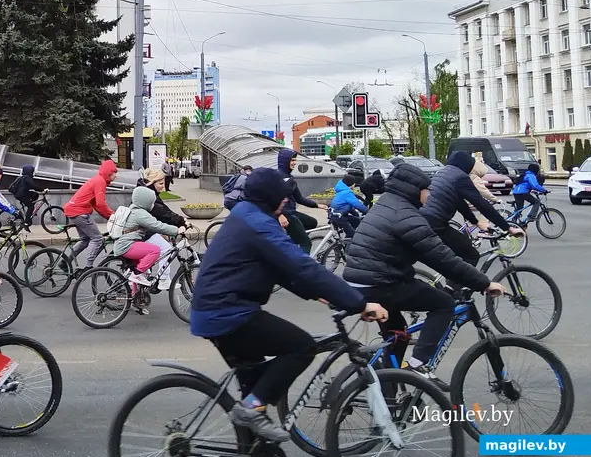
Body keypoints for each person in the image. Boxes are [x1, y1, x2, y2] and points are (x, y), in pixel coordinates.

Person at [190, 167, 387, 441]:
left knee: (257, 382)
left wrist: (320, 294)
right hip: (228, 313)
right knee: (301, 347)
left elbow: (283, 270)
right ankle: (250, 409)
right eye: (282, 197)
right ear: (270, 198)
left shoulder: (247, 215)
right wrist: (358, 302)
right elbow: (302, 266)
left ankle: (253, 455)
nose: (286, 201)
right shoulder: (258, 224)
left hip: (216, 311)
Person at [342, 163, 505, 386]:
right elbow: (442, 258)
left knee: (398, 333)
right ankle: (418, 365)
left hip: (363, 280)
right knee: (444, 304)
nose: (430, 195)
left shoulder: (387, 205)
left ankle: (387, 392)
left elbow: (431, 256)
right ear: (414, 189)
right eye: (427, 190)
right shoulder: (408, 216)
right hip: (380, 282)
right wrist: (484, 283)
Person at [421, 151, 522, 269]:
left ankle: (453, 280)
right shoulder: (460, 178)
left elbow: (459, 203)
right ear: (467, 165)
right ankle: (453, 286)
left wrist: (477, 223)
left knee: (457, 252)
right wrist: (508, 228)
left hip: (424, 217)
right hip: (435, 222)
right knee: (471, 255)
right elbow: (481, 204)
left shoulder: (443, 173)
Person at [111, 185, 185, 313]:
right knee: (154, 250)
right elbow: (157, 225)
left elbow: (155, 224)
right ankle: (138, 275)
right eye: (151, 201)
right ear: (144, 201)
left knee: (138, 270)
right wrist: (177, 229)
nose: (152, 204)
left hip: (125, 244)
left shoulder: (135, 210)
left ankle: (136, 300)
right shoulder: (141, 214)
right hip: (127, 245)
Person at [63, 159, 118, 269]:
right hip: (79, 212)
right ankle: (88, 268)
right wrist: (113, 215)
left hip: (73, 210)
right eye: (114, 172)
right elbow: (101, 204)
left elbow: (96, 205)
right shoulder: (100, 181)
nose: (116, 176)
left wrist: (110, 216)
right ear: (109, 172)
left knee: (85, 240)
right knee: (97, 239)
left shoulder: (97, 180)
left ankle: (65, 262)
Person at [276, 149, 327, 254]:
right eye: (292, 160)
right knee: (306, 243)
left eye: (295, 160)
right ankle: (301, 268)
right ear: (284, 161)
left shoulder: (290, 178)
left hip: (291, 212)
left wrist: (317, 205)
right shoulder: (278, 177)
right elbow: (271, 197)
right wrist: (279, 215)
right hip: (286, 215)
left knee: (312, 222)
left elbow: (299, 198)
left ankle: (293, 244)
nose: (294, 163)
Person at [330, 174, 367, 238]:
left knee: (356, 220)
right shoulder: (346, 193)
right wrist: (368, 212)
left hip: (337, 214)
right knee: (353, 234)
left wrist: (355, 214)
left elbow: (346, 205)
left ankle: (347, 240)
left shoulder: (342, 190)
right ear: (351, 184)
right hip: (338, 217)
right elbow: (358, 205)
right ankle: (347, 243)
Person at [8, 165, 41, 229]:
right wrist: (42, 189)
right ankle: (26, 222)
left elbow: (31, 186)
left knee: (35, 195)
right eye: (32, 171)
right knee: (31, 207)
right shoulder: (27, 178)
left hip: (21, 194)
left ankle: (30, 211)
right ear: (30, 171)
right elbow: (33, 186)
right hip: (22, 195)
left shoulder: (23, 177)